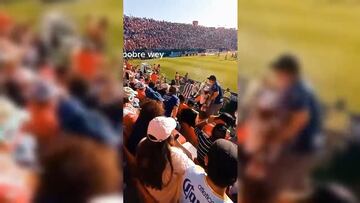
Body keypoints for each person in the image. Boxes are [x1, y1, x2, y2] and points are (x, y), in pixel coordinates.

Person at [136, 116, 195, 203]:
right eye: (171, 132)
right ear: (168, 137)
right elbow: (192, 164)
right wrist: (177, 144)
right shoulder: (176, 156)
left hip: (147, 190)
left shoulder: (142, 143)